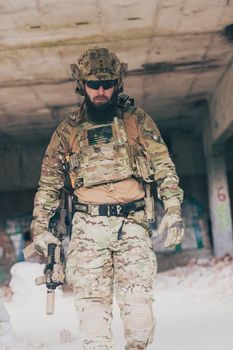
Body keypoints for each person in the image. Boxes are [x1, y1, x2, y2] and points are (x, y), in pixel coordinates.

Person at [31, 47, 184, 350]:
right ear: (82, 86)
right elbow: (49, 183)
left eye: (107, 84)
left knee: (139, 309)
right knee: (92, 316)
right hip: (87, 228)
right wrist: (40, 226)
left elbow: (164, 166)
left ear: (118, 84)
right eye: (93, 84)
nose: (101, 91)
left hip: (132, 224)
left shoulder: (136, 120)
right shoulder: (68, 130)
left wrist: (174, 208)